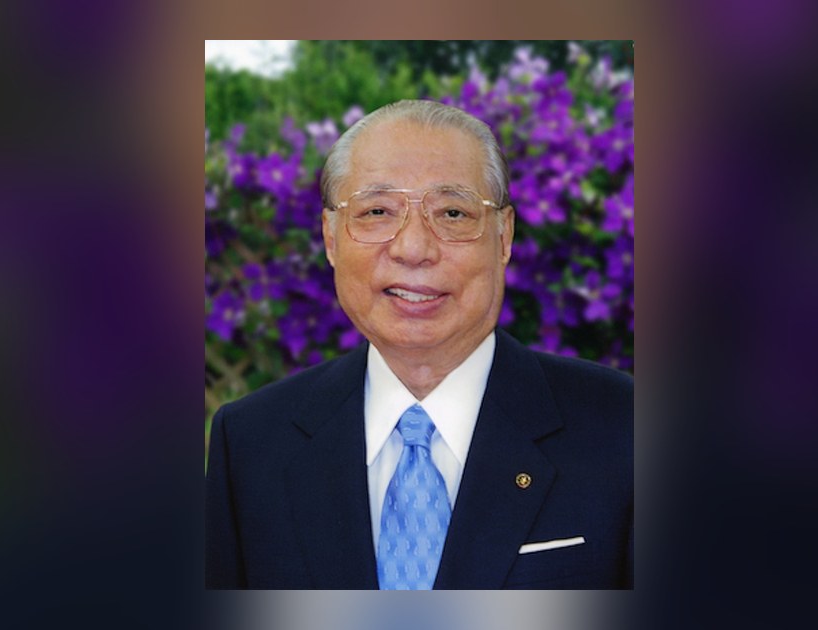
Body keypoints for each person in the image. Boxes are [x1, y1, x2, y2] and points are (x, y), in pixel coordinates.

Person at [205, 99, 633, 589]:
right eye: (376, 211)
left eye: (452, 212)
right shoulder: (251, 443)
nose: (413, 248)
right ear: (330, 238)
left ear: (504, 237)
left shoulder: (625, 429)